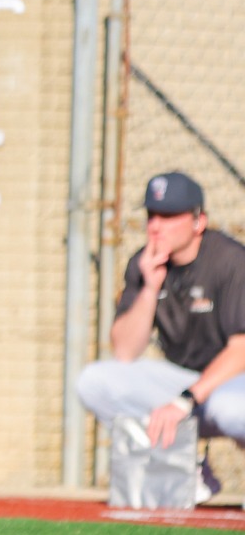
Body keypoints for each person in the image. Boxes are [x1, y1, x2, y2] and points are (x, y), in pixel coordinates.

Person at [78, 171, 245, 498]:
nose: (155, 225)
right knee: (94, 381)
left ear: (199, 221)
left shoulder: (231, 260)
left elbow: (241, 349)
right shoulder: (143, 263)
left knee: (228, 408)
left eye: (169, 216)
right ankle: (186, 465)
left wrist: (186, 400)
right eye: (152, 215)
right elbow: (125, 350)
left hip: (231, 381)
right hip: (185, 384)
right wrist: (149, 288)